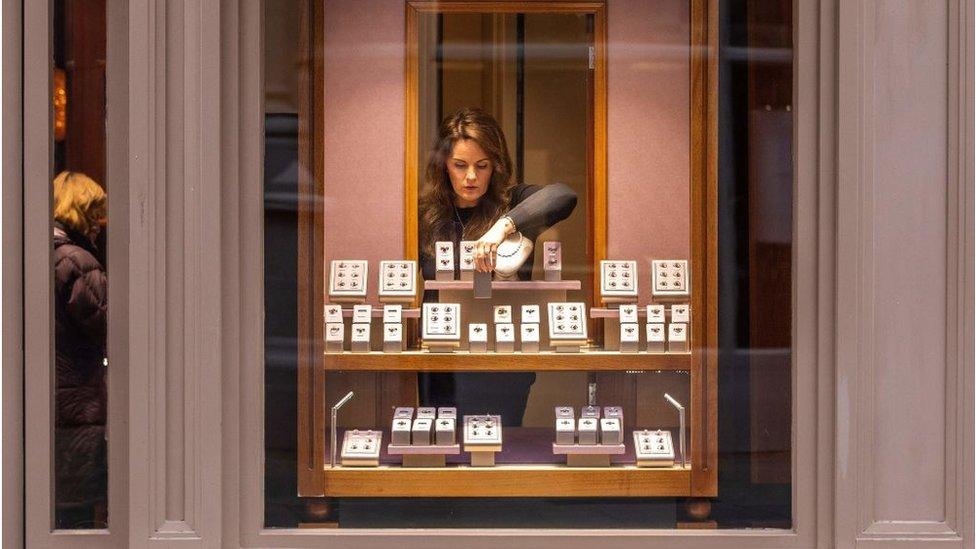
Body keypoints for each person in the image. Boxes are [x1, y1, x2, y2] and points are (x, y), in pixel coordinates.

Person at [418, 108, 577, 425]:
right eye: (460, 165)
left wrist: (502, 227)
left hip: (503, 354)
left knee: (503, 449)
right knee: (446, 453)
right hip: (442, 358)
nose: (471, 177)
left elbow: (564, 196)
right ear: (444, 166)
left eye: (482, 166)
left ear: (496, 166)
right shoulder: (428, 215)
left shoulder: (515, 202)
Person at [52, 171, 108, 529]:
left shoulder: (32, 251)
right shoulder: (78, 262)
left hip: (52, 397)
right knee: (77, 514)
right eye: (98, 212)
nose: (102, 222)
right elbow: (109, 326)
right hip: (78, 402)